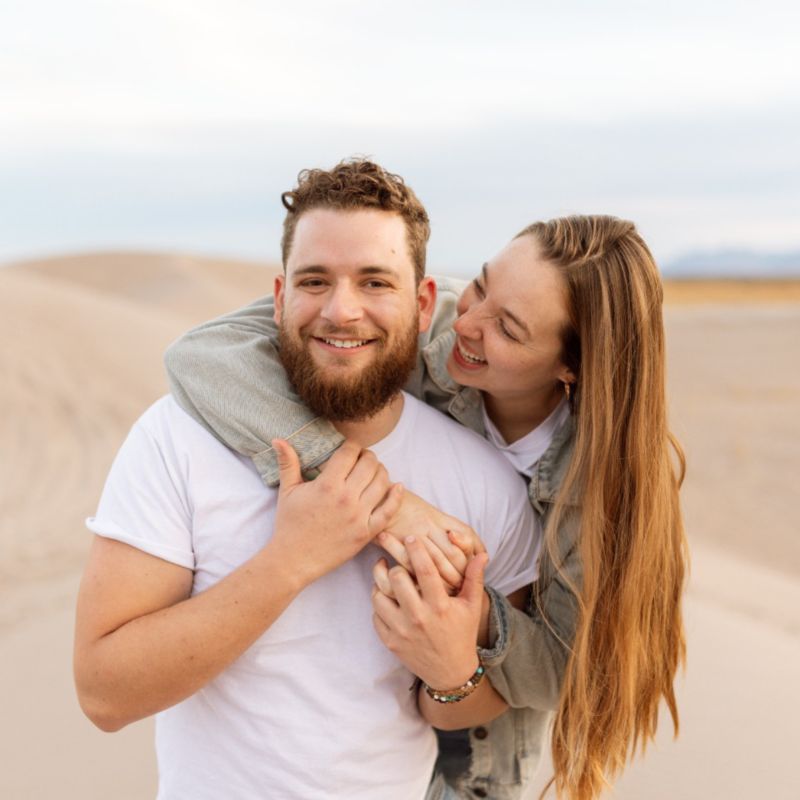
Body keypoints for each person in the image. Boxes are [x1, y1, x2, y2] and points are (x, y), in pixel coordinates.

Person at [165, 196, 688, 799]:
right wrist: (383, 499)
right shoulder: (422, 322)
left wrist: (468, 605)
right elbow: (202, 354)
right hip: (356, 736)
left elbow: (570, 670)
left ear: (570, 367)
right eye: (481, 286)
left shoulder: (606, 485)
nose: (467, 324)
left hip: (476, 764)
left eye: (508, 328)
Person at [73, 160, 542, 800]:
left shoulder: (487, 486)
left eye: (375, 282)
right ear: (279, 298)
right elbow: (104, 694)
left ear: (422, 304)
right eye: (315, 281)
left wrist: (451, 671)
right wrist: (291, 561)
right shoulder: (176, 437)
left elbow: (475, 705)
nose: (341, 311)